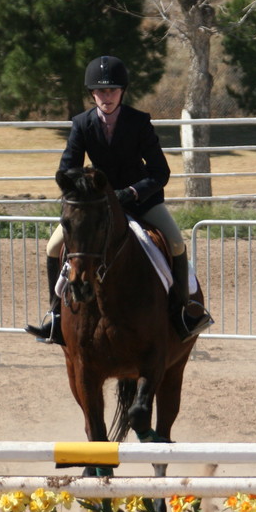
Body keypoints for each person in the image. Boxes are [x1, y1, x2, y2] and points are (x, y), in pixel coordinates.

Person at [25, 55, 213, 345]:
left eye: (112, 90)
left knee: (175, 241)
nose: (106, 97)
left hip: (140, 200)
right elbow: (67, 169)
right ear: (92, 94)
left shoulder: (138, 122)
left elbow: (160, 172)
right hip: (96, 207)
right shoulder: (82, 124)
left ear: (122, 92)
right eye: (101, 91)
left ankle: (183, 312)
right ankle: (56, 318)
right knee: (53, 247)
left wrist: (132, 192)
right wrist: (85, 191)